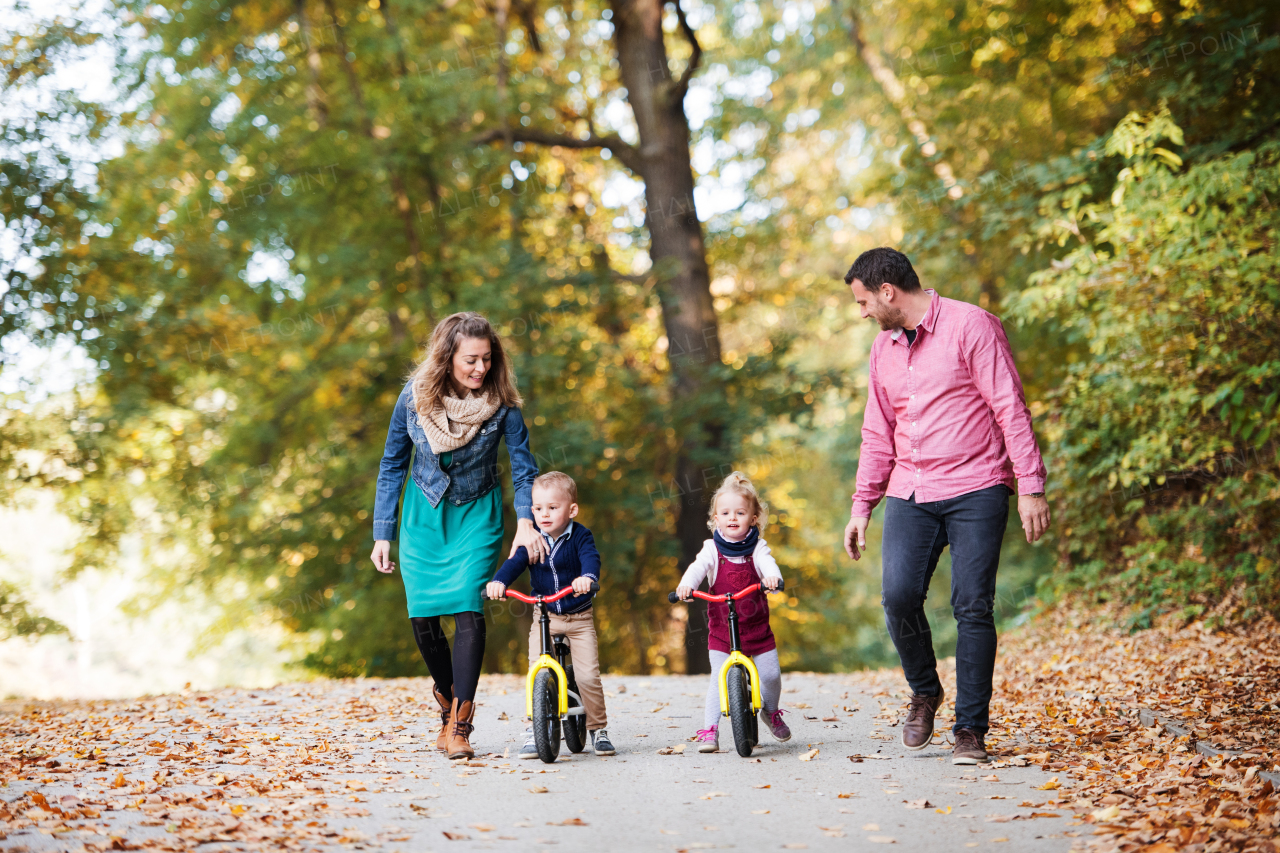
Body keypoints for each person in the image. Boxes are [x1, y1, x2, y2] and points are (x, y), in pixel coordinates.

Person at [841, 247, 1050, 765]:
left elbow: (1009, 405)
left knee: (972, 606)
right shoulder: (882, 349)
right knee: (898, 596)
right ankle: (925, 691)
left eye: (864, 301)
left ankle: (970, 731)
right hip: (910, 490)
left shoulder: (971, 325)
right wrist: (862, 505)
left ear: (888, 292)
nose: (862, 312)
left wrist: (1031, 484)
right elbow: (877, 431)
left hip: (977, 485)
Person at [370, 312, 543, 761]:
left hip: (476, 515)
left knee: (469, 605)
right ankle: (447, 707)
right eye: (471, 360)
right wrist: (382, 532)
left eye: (487, 359)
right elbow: (392, 464)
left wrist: (525, 521)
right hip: (422, 517)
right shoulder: (413, 399)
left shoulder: (503, 405)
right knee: (423, 618)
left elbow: (524, 469)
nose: (480, 369)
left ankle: (461, 726)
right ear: (447, 358)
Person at [487, 471, 615, 758]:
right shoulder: (533, 539)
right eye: (538, 508)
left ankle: (598, 729)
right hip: (545, 617)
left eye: (553, 508)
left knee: (587, 676)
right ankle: (535, 729)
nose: (544, 514)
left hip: (579, 619)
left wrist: (587, 577)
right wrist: (499, 582)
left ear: (571, 510)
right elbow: (515, 562)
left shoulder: (581, 536)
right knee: (536, 671)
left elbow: (590, 558)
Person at [676, 471, 789, 754]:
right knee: (718, 678)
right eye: (725, 513)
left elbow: (768, 563)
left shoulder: (758, 547)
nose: (733, 517)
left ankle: (771, 711)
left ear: (753, 518)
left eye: (740, 512)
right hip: (723, 632)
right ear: (716, 519)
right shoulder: (711, 549)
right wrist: (687, 585)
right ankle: (709, 731)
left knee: (772, 675)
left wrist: (772, 578)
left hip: (757, 629)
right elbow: (698, 567)